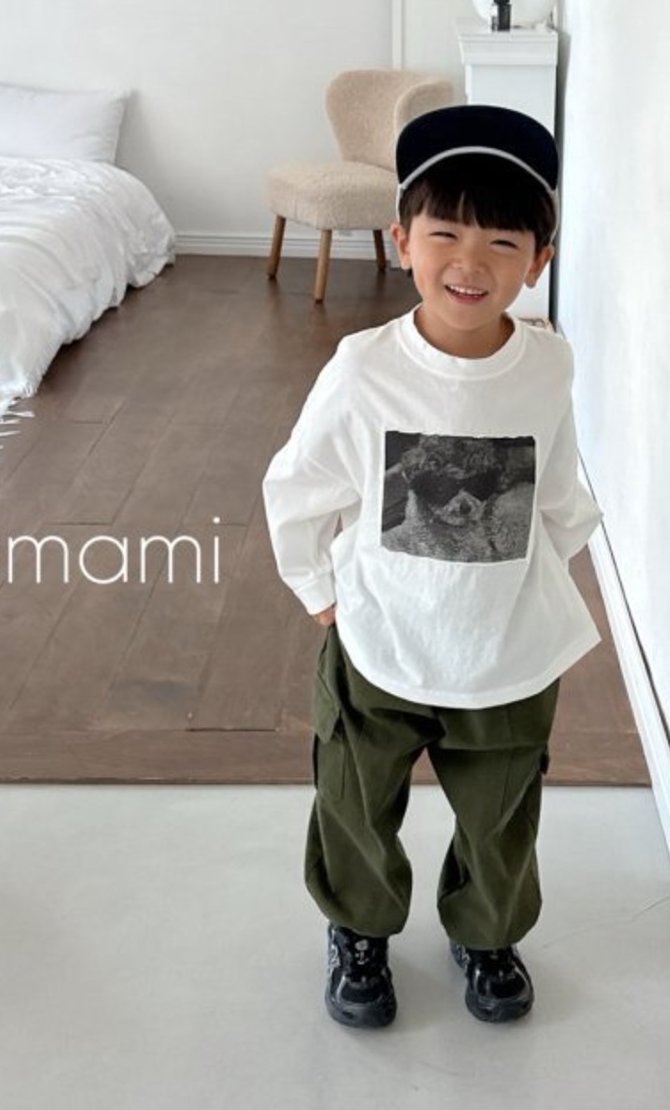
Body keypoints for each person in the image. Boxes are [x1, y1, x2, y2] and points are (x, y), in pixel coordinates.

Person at [262, 104, 602, 1029]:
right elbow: (299, 486)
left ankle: (487, 934)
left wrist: (533, 581)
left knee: (501, 814)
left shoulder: (549, 367)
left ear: (539, 261)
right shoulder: (364, 368)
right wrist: (321, 596)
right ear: (402, 239)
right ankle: (359, 929)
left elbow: (559, 491)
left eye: (503, 242)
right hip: (378, 641)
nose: (470, 261)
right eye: (445, 233)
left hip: (506, 651)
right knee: (354, 801)